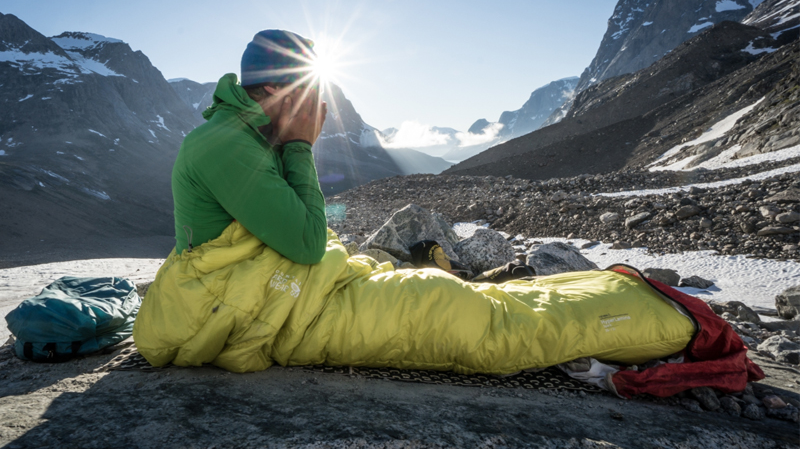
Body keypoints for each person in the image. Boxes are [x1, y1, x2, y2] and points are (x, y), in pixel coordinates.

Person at [133, 30, 700, 389]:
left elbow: (296, 236)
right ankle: (664, 323)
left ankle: (627, 300)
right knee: (457, 316)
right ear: (277, 93)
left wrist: (289, 145)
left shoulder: (244, 133)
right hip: (260, 304)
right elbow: (306, 242)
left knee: (446, 294)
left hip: (290, 290)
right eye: (307, 97)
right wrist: (303, 144)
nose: (316, 110)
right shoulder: (228, 144)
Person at [171, 30, 329, 265]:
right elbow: (310, 245)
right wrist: (299, 145)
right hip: (213, 288)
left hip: (243, 278)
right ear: (276, 87)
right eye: (311, 86)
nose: (316, 98)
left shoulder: (259, 133)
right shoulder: (225, 143)